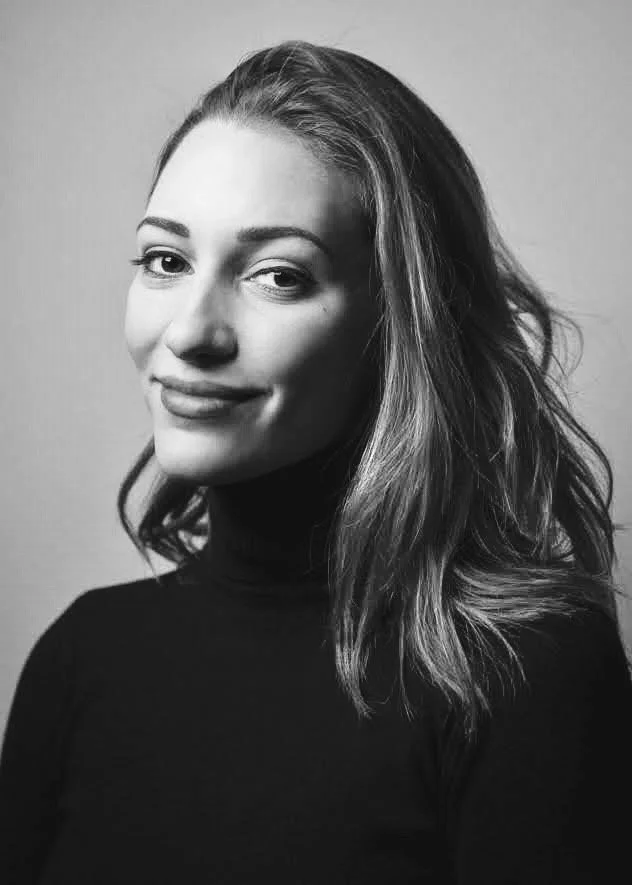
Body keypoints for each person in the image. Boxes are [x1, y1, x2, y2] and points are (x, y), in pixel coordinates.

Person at [1, 40, 631, 885]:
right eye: (166, 260)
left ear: (397, 325)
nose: (190, 333)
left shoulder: (527, 671)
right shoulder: (80, 658)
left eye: (277, 275)